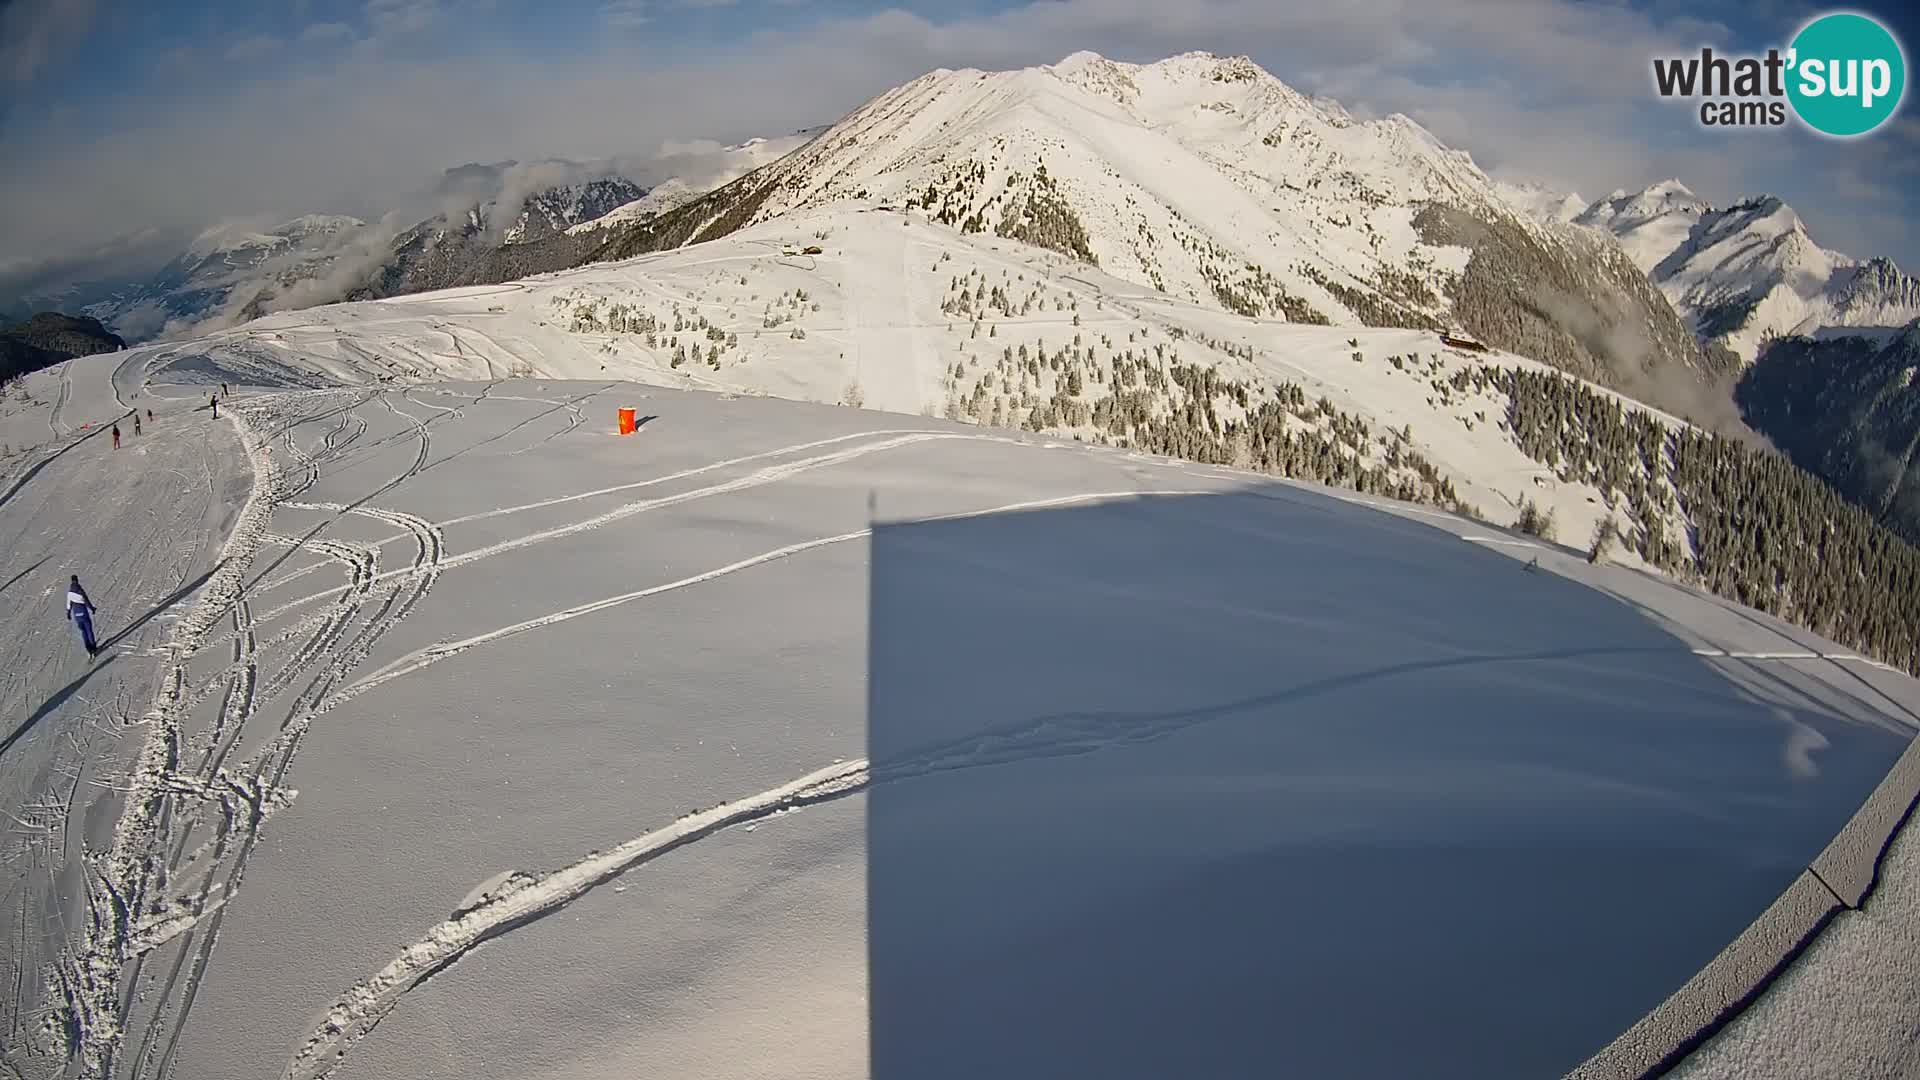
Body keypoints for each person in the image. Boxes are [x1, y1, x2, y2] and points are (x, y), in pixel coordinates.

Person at [66, 575, 99, 658]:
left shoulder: (69, 593)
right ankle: (93, 648)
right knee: (89, 630)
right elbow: (86, 601)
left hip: (77, 616)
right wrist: (92, 609)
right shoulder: (80, 591)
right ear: (77, 580)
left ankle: (88, 649)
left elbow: (68, 605)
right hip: (84, 614)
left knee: (83, 631)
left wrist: (68, 614)